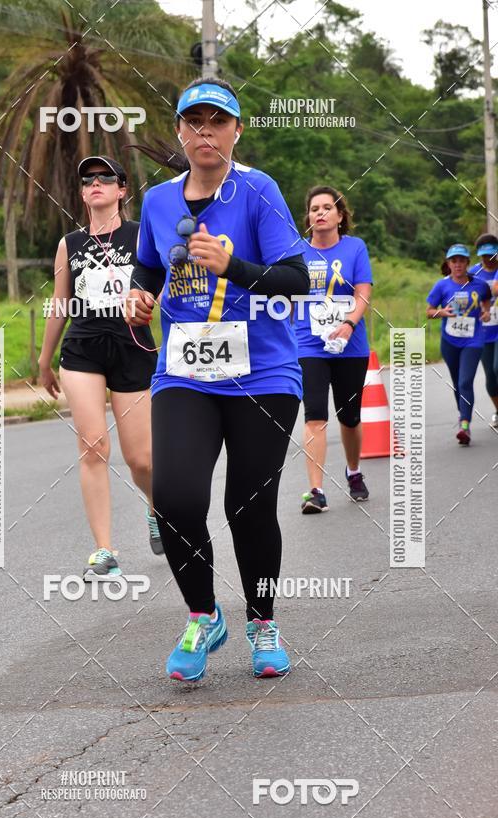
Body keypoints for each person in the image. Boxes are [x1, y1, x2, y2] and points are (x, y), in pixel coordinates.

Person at [125, 77, 310, 681]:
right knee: (175, 498)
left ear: (236, 131)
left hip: (263, 373)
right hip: (185, 373)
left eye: (218, 122)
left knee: (247, 507)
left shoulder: (258, 190)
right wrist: (139, 296)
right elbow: (148, 268)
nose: (206, 132)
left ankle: (262, 622)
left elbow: (296, 279)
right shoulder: (158, 201)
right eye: (194, 122)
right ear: (180, 131)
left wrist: (234, 266)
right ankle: (203, 615)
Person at [39, 155, 163, 581]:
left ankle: (156, 510)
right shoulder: (68, 244)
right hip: (83, 350)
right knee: (93, 446)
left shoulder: (141, 235)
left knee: (141, 459)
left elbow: (161, 286)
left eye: (105, 178)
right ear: (81, 192)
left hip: (133, 348)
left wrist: (151, 305)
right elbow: (60, 303)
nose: (95, 184)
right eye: (88, 179)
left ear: (121, 190)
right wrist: (44, 359)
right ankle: (104, 550)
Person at [293, 186, 373, 514]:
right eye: (314, 209)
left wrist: (349, 324)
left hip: (350, 345)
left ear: (340, 216)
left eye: (327, 207)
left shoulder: (355, 248)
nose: (320, 213)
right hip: (308, 344)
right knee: (315, 415)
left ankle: (354, 471)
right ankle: (316, 491)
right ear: (309, 217)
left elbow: (362, 292)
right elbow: (285, 292)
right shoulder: (296, 251)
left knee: (349, 417)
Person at [426, 243, 491, 445]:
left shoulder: (480, 285)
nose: (458, 264)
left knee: (465, 382)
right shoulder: (441, 286)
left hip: (473, 339)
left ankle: (465, 424)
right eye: (454, 261)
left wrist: (486, 312)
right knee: (457, 383)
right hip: (450, 341)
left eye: (462, 261)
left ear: (467, 263)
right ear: (448, 264)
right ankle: (463, 414)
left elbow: (486, 300)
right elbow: (429, 312)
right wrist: (442, 313)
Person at [468, 233, 498, 428]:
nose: (488, 259)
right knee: (491, 377)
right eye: (484, 255)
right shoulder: (473, 273)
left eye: (492, 255)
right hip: (483, 332)